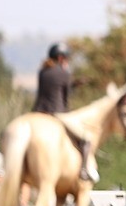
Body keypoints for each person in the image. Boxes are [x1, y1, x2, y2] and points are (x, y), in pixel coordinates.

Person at [33, 42, 94, 182]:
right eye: (66, 59)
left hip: (39, 111)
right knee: (86, 137)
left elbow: (54, 88)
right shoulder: (65, 72)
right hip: (57, 113)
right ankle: (84, 170)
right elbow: (65, 98)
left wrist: (73, 84)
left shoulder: (42, 72)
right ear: (61, 58)